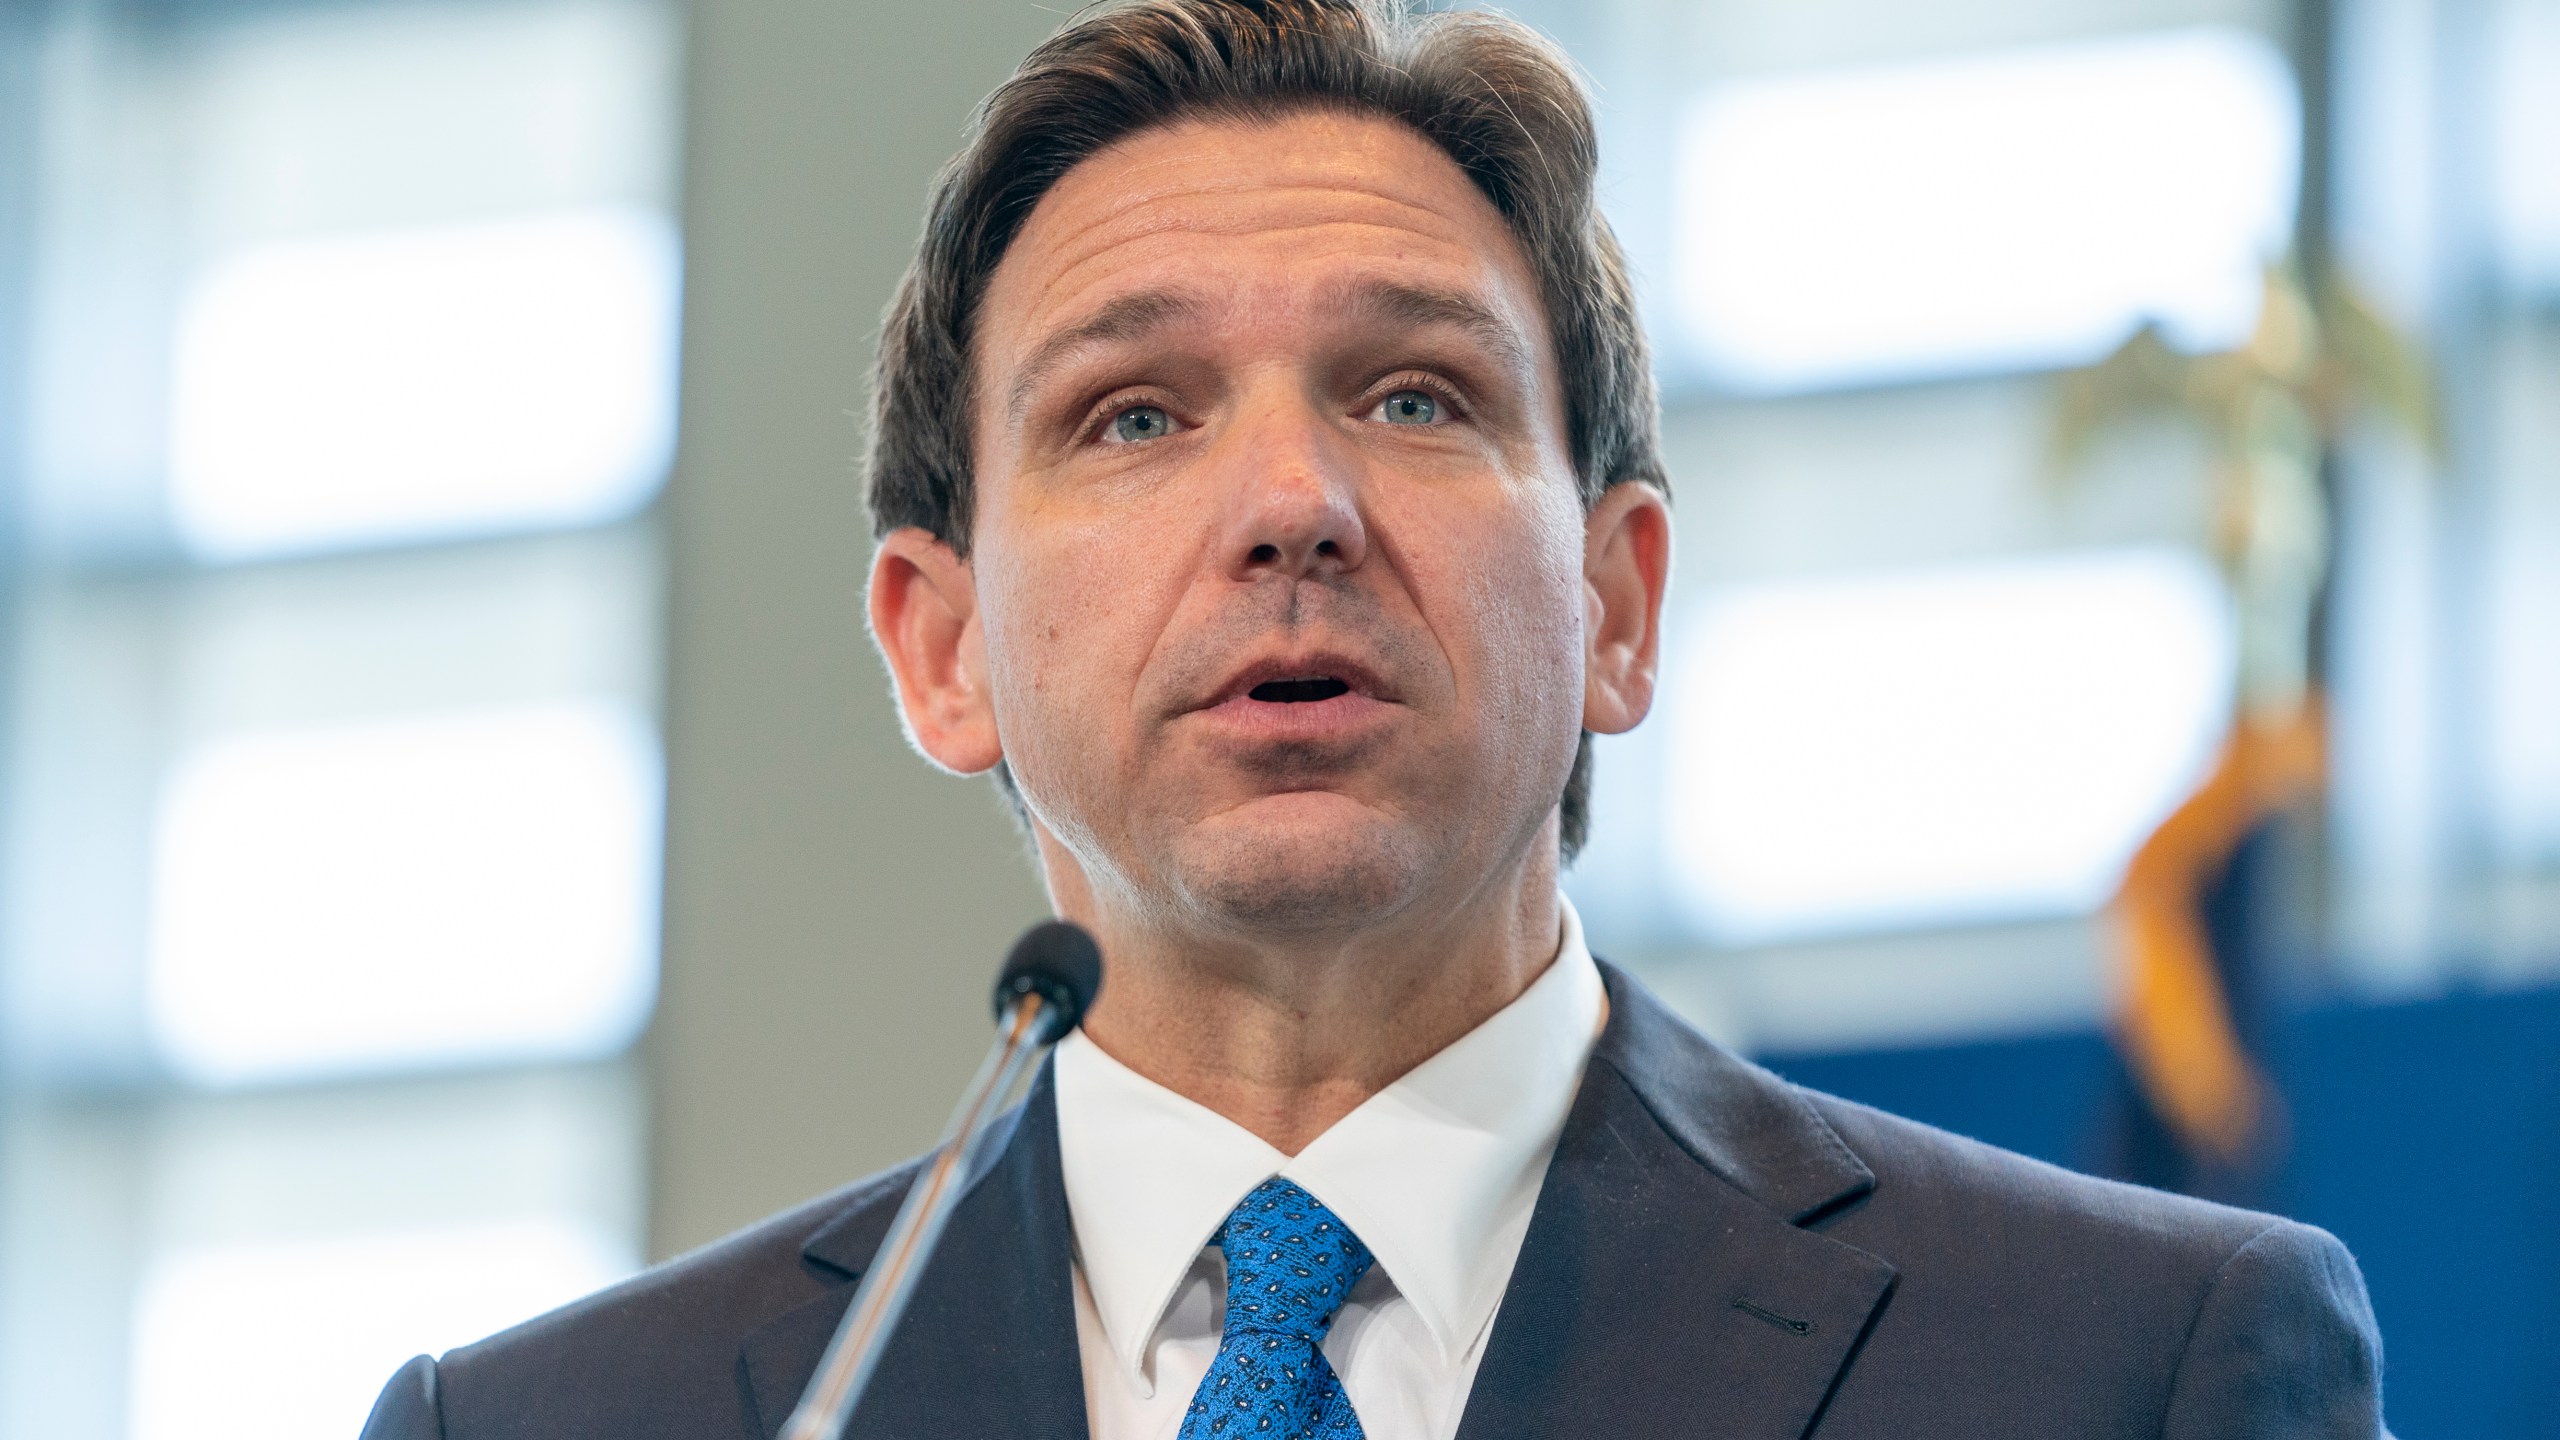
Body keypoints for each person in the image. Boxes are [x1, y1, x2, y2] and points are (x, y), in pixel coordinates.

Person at [362, 1, 2384, 1435]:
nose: (1289, 509)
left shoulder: (2121, 1370)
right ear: (939, 647)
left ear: (1612, 602)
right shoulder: (552, 1425)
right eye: (1130, 415)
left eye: (1413, 395)